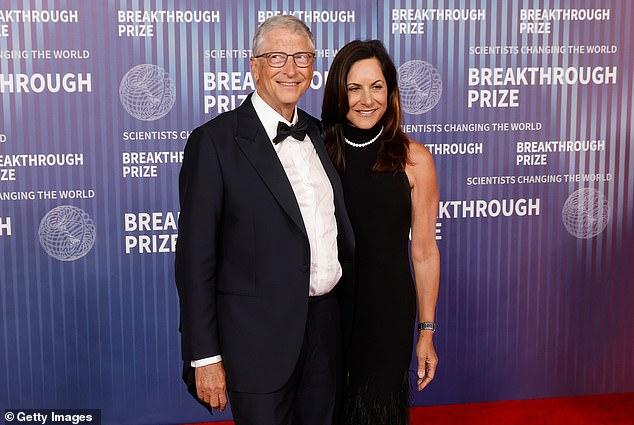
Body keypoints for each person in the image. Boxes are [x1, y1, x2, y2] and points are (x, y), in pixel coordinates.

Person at [175, 15, 354, 425]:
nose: (291, 69)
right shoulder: (214, 142)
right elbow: (194, 260)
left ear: (313, 66)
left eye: (302, 57)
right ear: (253, 65)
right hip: (255, 343)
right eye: (277, 57)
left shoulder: (321, 135)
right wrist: (205, 355)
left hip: (325, 333)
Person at [322, 40, 440, 424]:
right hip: (326, 314)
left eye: (376, 86)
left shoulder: (414, 159)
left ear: (390, 91)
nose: (366, 99)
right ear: (339, 92)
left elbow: (423, 253)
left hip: (387, 314)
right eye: (354, 88)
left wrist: (426, 330)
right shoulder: (316, 153)